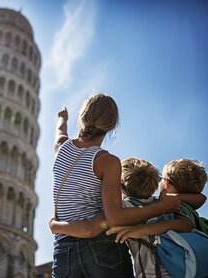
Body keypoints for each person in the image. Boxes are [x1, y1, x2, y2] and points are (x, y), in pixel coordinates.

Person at [51, 93, 180, 278]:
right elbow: (115, 217)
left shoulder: (61, 147)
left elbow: (60, 131)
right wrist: (162, 207)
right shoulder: (107, 161)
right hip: (101, 248)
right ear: (111, 127)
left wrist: (62, 117)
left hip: (63, 253)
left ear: (83, 117)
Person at [51, 157, 207, 277]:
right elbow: (200, 199)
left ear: (119, 187)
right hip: (183, 268)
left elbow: (90, 229)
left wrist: (55, 225)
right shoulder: (167, 204)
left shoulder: (122, 211)